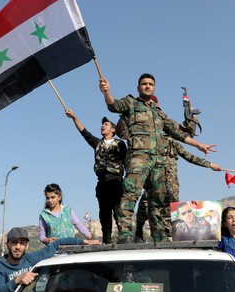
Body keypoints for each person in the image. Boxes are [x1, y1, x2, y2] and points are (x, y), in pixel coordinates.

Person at [99, 73, 217, 243]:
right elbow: (113, 106)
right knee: (131, 193)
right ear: (139, 87)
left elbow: (177, 133)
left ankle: (159, 235)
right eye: (144, 84)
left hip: (158, 161)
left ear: (154, 88)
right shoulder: (131, 103)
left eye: (150, 84)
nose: (147, 86)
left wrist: (198, 145)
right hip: (139, 158)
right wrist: (106, 92)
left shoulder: (159, 114)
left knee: (157, 200)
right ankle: (125, 234)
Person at [134, 95, 220, 242]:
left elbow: (189, 154)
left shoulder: (172, 142)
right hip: (154, 176)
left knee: (172, 205)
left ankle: (169, 235)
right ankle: (139, 231)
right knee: (146, 201)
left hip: (171, 182)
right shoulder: (147, 136)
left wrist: (210, 165)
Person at [65, 108, 127, 244]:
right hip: (102, 182)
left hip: (116, 181)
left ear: (113, 130)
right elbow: (84, 133)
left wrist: (128, 181)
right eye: (102, 124)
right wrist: (74, 117)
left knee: (119, 212)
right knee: (104, 214)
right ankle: (107, 241)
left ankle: (124, 238)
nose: (102, 126)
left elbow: (126, 162)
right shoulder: (98, 143)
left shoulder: (120, 144)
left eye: (106, 124)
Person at [0, 227, 100, 292]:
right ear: (7, 245)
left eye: (22, 243)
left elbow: (57, 243)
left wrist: (83, 242)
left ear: (27, 246)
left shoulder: (31, 258)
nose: (18, 247)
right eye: (14, 242)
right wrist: (17, 280)